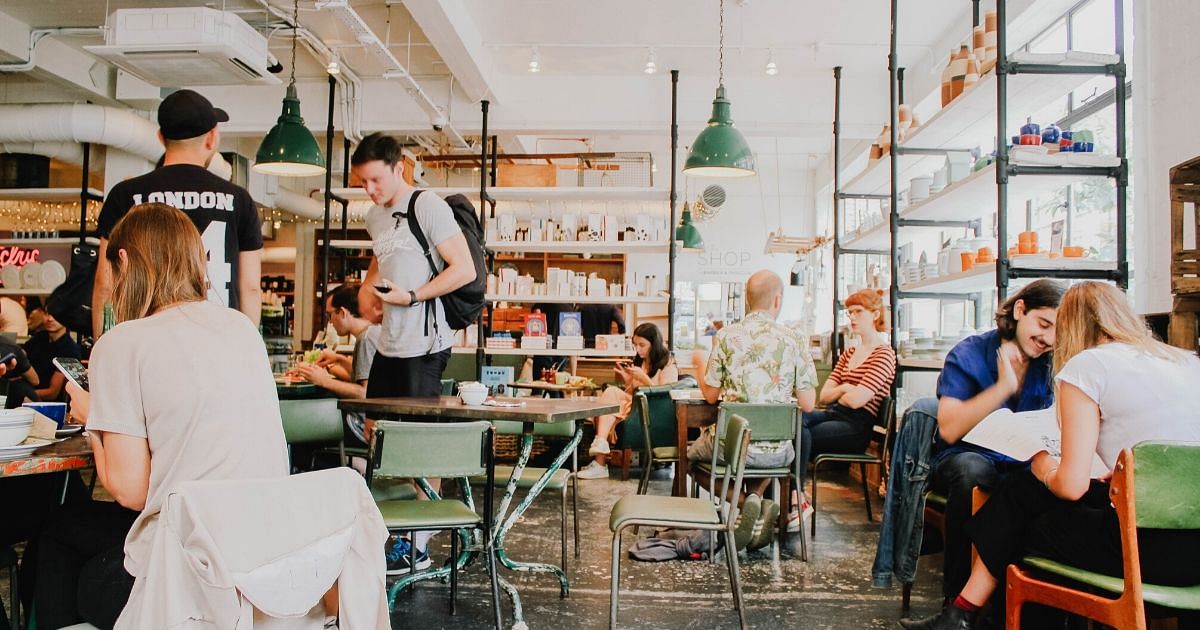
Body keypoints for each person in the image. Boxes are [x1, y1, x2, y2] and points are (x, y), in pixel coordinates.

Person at [32, 203, 288, 629]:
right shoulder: (241, 328)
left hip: (189, 576)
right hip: (259, 558)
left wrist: (96, 418)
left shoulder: (121, 343)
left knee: (65, 547)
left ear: (125, 261)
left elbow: (130, 492)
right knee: (67, 528)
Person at [901, 282, 1200, 630]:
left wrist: (1044, 467)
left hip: (1142, 552)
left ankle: (968, 614)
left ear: (1070, 325)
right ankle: (962, 614)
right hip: (1192, 549)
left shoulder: (1088, 367)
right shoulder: (1186, 360)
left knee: (1029, 519)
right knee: (1023, 492)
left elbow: (1070, 487)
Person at [351, 132, 476, 574]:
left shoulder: (428, 206)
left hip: (425, 344)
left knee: (421, 447)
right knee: (377, 437)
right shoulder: (374, 217)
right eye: (363, 182)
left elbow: (464, 269)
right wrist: (371, 292)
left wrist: (413, 296)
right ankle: (386, 533)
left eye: (376, 180)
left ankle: (418, 546)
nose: (370, 190)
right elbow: (383, 259)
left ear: (399, 167)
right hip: (388, 343)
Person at [902, 278, 1064, 601]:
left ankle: (1026, 603)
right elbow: (948, 429)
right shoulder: (969, 353)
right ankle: (956, 600)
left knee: (1051, 485)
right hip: (964, 458)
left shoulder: (1052, 364)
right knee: (975, 472)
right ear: (1020, 310)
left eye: (1057, 332)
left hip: (1024, 463)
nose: (1047, 338)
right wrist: (1002, 389)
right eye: (1043, 324)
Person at [92, 89, 263, 337]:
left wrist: (102, 346)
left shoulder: (126, 195)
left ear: (161, 137)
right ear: (211, 138)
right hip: (218, 339)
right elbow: (250, 288)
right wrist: (247, 350)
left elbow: (105, 282)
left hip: (147, 339)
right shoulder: (239, 200)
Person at [691, 270, 818, 550]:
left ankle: (746, 503)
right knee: (765, 450)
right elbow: (808, 404)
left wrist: (700, 366)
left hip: (734, 448)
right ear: (777, 300)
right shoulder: (795, 339)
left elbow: (710, 396)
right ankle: (757, 502)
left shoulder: (726, 336)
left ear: (747, 301)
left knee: (688, 459)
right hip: (780, 451)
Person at [799, 288, 896, 501]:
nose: (852, 317)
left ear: (875, 314)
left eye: (858, 311)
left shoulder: (884, 354)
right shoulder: (849, 353)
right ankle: (794, 494)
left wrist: (845, 392)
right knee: (795, 419)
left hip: (856, 427)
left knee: (796, 435)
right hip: (834, 414)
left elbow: (857, 401)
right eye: (849, 312)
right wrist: (844, 389)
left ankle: (795, 495)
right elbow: (823, 396)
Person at [577, 323, 678, 480]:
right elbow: (632, 391)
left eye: (642, 345)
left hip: (652, 410)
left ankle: (600, 463)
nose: (638, 349)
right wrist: (627, 379)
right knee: (609, 396)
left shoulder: (667, 363)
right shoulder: (641, 362)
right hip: (635, 405)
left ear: (655, 343)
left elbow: (666, 394)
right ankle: (601, 447)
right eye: (635, 345)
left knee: (609, 406)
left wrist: (643, 378)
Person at [294, 284, 381, 453]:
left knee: (302, 427)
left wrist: (324, 381)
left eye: (330, 314)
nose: (330, 322)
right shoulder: (373, 332)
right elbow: (371, 376)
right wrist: (339, 359)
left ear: (342, 312)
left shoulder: (366, 340)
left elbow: (366, 394)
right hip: (374, 424)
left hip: (362, 427)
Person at [23, 296, 82, 403]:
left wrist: (21, 394)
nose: (50, 318)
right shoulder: (37, 339)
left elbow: (52, 392)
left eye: (56, 315)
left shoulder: (70, 349)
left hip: (50, 406)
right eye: (47, 313)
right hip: (27, 397)